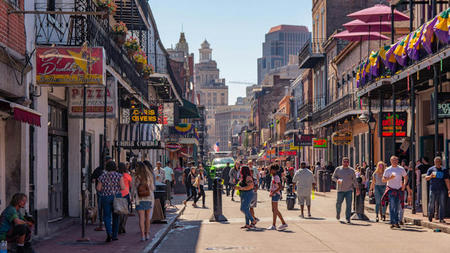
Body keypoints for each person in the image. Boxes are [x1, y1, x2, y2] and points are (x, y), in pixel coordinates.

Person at [97, 161, 126, 242]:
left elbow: (98, 188)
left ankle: (108, 233)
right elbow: (123, 187)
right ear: (115, 167)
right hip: (116, 196)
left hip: (105, 197)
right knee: (116, 216)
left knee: (107, 216)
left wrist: (105, 189)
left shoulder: (102, 176)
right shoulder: (119, 176)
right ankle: (115, 235)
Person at [382, 155, 408, 229]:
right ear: (390, 161)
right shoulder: (388, 170)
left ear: (398, 161)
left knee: (397, 206)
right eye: (393, 160)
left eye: (396, 160)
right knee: (392, 205)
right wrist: (390, 178)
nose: (394, 161)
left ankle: (395, 222)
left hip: (399, 190)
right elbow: (383, 180)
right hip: (391, 189)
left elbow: (406, 177)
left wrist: (404, 185)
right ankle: (393, 222)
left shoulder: (401, 169)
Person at [332, 157, 360, 224]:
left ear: (349, 162)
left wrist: (357, 188)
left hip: (349, 190)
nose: (346, 163)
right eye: (344, 161)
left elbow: (354, 180)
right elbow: (333, 177)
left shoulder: (351, 170)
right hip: (340, 190)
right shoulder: (338, 169)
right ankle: (338, 213)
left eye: (347, 161)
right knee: (338, 203)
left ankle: (348, 218)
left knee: (349, 205)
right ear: (342, 162)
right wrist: (337, 180)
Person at [134, 162, 155, 241]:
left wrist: (132, 197)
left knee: (141, 218)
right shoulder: (149, 177)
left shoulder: (136, 177)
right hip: (148, 198)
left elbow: (134, 188)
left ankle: (142, 235)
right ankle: (147, 234)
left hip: (139, 199)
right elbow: (152, 188)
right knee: (147, 218)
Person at [425, 157, 450, 223]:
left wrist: (449, 189)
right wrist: (430, 176)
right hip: (433, 189)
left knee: (442, 204)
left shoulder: (444, 170)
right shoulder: (431, 169)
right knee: (431, 203)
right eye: (436, 161)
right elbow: (426, 178)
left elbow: (447, 180)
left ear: (440, 162)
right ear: (434, 162)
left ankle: (441, 218)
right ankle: (430, 216)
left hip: (442, 189)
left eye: (439, 161)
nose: (437, 162)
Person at [91, 156, 112, 231]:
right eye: (109, 161)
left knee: (108, 207)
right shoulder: (99, 170)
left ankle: (107, 220)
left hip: (109, 192)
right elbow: (93, 179)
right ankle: (101, 220)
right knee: (100, 206)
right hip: (101, 192)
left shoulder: (111, 172)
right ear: (105, 162)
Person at [267, 164, 288, 230]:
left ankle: (274, 225)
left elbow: (280, 187)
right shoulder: (273, 176)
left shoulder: (276, 177)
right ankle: (283, 223)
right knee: (274, 210)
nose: (269, 171)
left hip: (276, 194)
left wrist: (273, 192)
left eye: (270, 170)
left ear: (274, 170)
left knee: (275, 210)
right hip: (274, 194)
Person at [118, 162, 132, 234]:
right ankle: (123, 225)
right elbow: (131, 186)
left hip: (119, 194)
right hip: (126, 194)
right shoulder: (127, 175)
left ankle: (120, 225)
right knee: (126, 211)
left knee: (119, 211)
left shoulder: (117, 175)